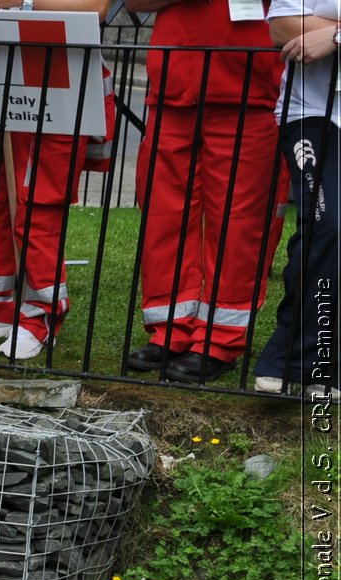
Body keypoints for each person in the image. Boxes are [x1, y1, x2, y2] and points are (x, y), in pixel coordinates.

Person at [122, 0, 285, 383]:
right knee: (165, 215)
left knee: (239, 223)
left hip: (248, 89)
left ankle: (220, 338)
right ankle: (171, 330)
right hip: (172, 86)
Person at [0, 0, 116, 362]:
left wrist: (21, 1)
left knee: (38, 200)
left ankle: (41, 318)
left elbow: (96, 8)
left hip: (57, 70)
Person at [253, 1, 339, 399]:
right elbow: (283, 29)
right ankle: (292, 358)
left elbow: (315, 32)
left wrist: (334, 35)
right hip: (313, 113)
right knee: (328, 224)